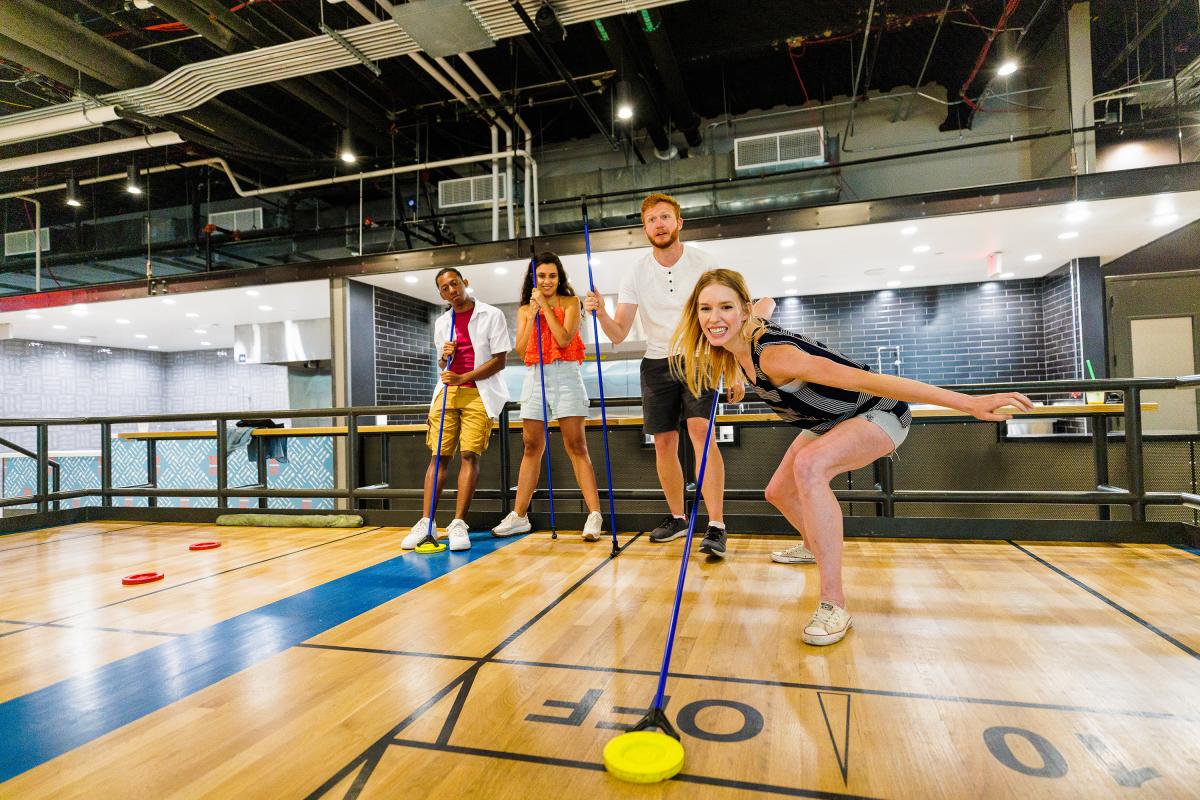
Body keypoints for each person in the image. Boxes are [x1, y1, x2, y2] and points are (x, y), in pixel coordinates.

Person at [670, 268, 1033, 645]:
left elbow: (868, 380)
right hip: (831, 420)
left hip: (878, 413)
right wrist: (737, 376)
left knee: (809, 466)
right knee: (778, 491)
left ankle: (834, 604)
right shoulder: (744, 334)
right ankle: (813, 545)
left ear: (743, 311)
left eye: (726, 307)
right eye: (706, 308)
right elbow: (767, 301)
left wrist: (966, 402)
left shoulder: (777, 357)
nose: (715, 318)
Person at [584, 193, 774, 559]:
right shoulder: (636, 271)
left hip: (699, 357)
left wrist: (733, 370)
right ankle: (678, 517)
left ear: (679, 222)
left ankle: (716, 524)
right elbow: (619, 333)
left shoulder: (704, 263)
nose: (659, 224)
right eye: (652, 219)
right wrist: (599, 313)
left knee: (701, 431)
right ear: (645, 228)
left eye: (665, 217)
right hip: (655, 363)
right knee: (664, 443)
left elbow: (727, 321)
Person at [492, 252, 605, 541]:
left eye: (552, 275)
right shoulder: (523, 309)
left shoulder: (570, 302)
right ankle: (519, 516)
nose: (546, 280)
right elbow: (520, 348)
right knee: (531, 445)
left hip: (565, 375)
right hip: (534, 377)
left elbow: (564, 339)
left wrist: (546, 309)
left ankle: (594, 515)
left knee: (576, 444)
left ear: (559, 277)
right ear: (533, 278)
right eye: (541, 276)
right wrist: (531, 315)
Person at [401, 268, 513, 553]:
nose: (452, 290)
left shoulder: (491, 314)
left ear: (465, 283)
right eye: (445, 288)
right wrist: (444, 358)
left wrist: (464, 377)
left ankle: (458, 523)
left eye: (455, 283)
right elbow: (443, 367)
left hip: (478, 393)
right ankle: (427, 523)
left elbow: (500, 361)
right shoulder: (442, 323)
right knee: (438, 455)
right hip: (448, 393)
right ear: (441, 294)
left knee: (468, 454)